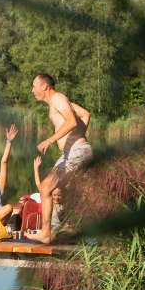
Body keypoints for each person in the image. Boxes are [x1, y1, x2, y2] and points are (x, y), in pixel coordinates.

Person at [27, 73, 91, 244]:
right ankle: (55, 231)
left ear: (44, 86)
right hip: (71, 152)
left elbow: (71, 122)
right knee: (48, 189)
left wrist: (51, 140)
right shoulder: (61, 101)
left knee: (53, 189)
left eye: (34, 86)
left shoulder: (58, 98)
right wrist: (76, 138)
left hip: (75, 153)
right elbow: (85, 114)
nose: (32, 90)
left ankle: (55, 232)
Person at [33, 156, 65, 234]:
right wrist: (36, 168)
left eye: (59, 195)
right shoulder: (48, 202)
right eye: (54, 195)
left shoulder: (64, 205)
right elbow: (38, 183)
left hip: (61, 231)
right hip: (51, 231)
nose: (56, 198)